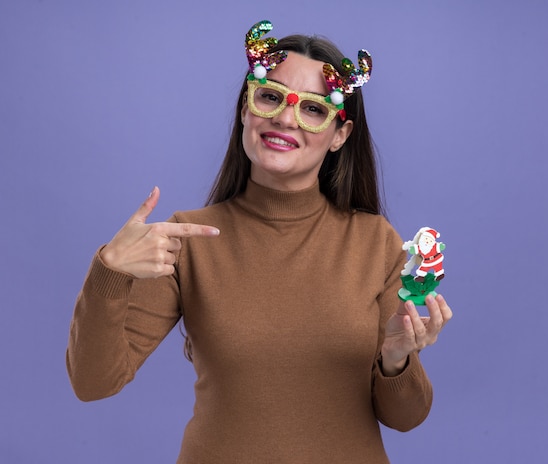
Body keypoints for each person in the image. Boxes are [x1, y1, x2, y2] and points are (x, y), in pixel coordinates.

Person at [66, 20, 453, 464]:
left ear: (339, 136)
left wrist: (396, 360)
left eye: (314, 108)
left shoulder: (374, 242)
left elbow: (406, 417)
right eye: (270, 97)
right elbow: (93, 383)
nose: (285, 118)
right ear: (246, 110)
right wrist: (108, 272)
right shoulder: (187, 240)